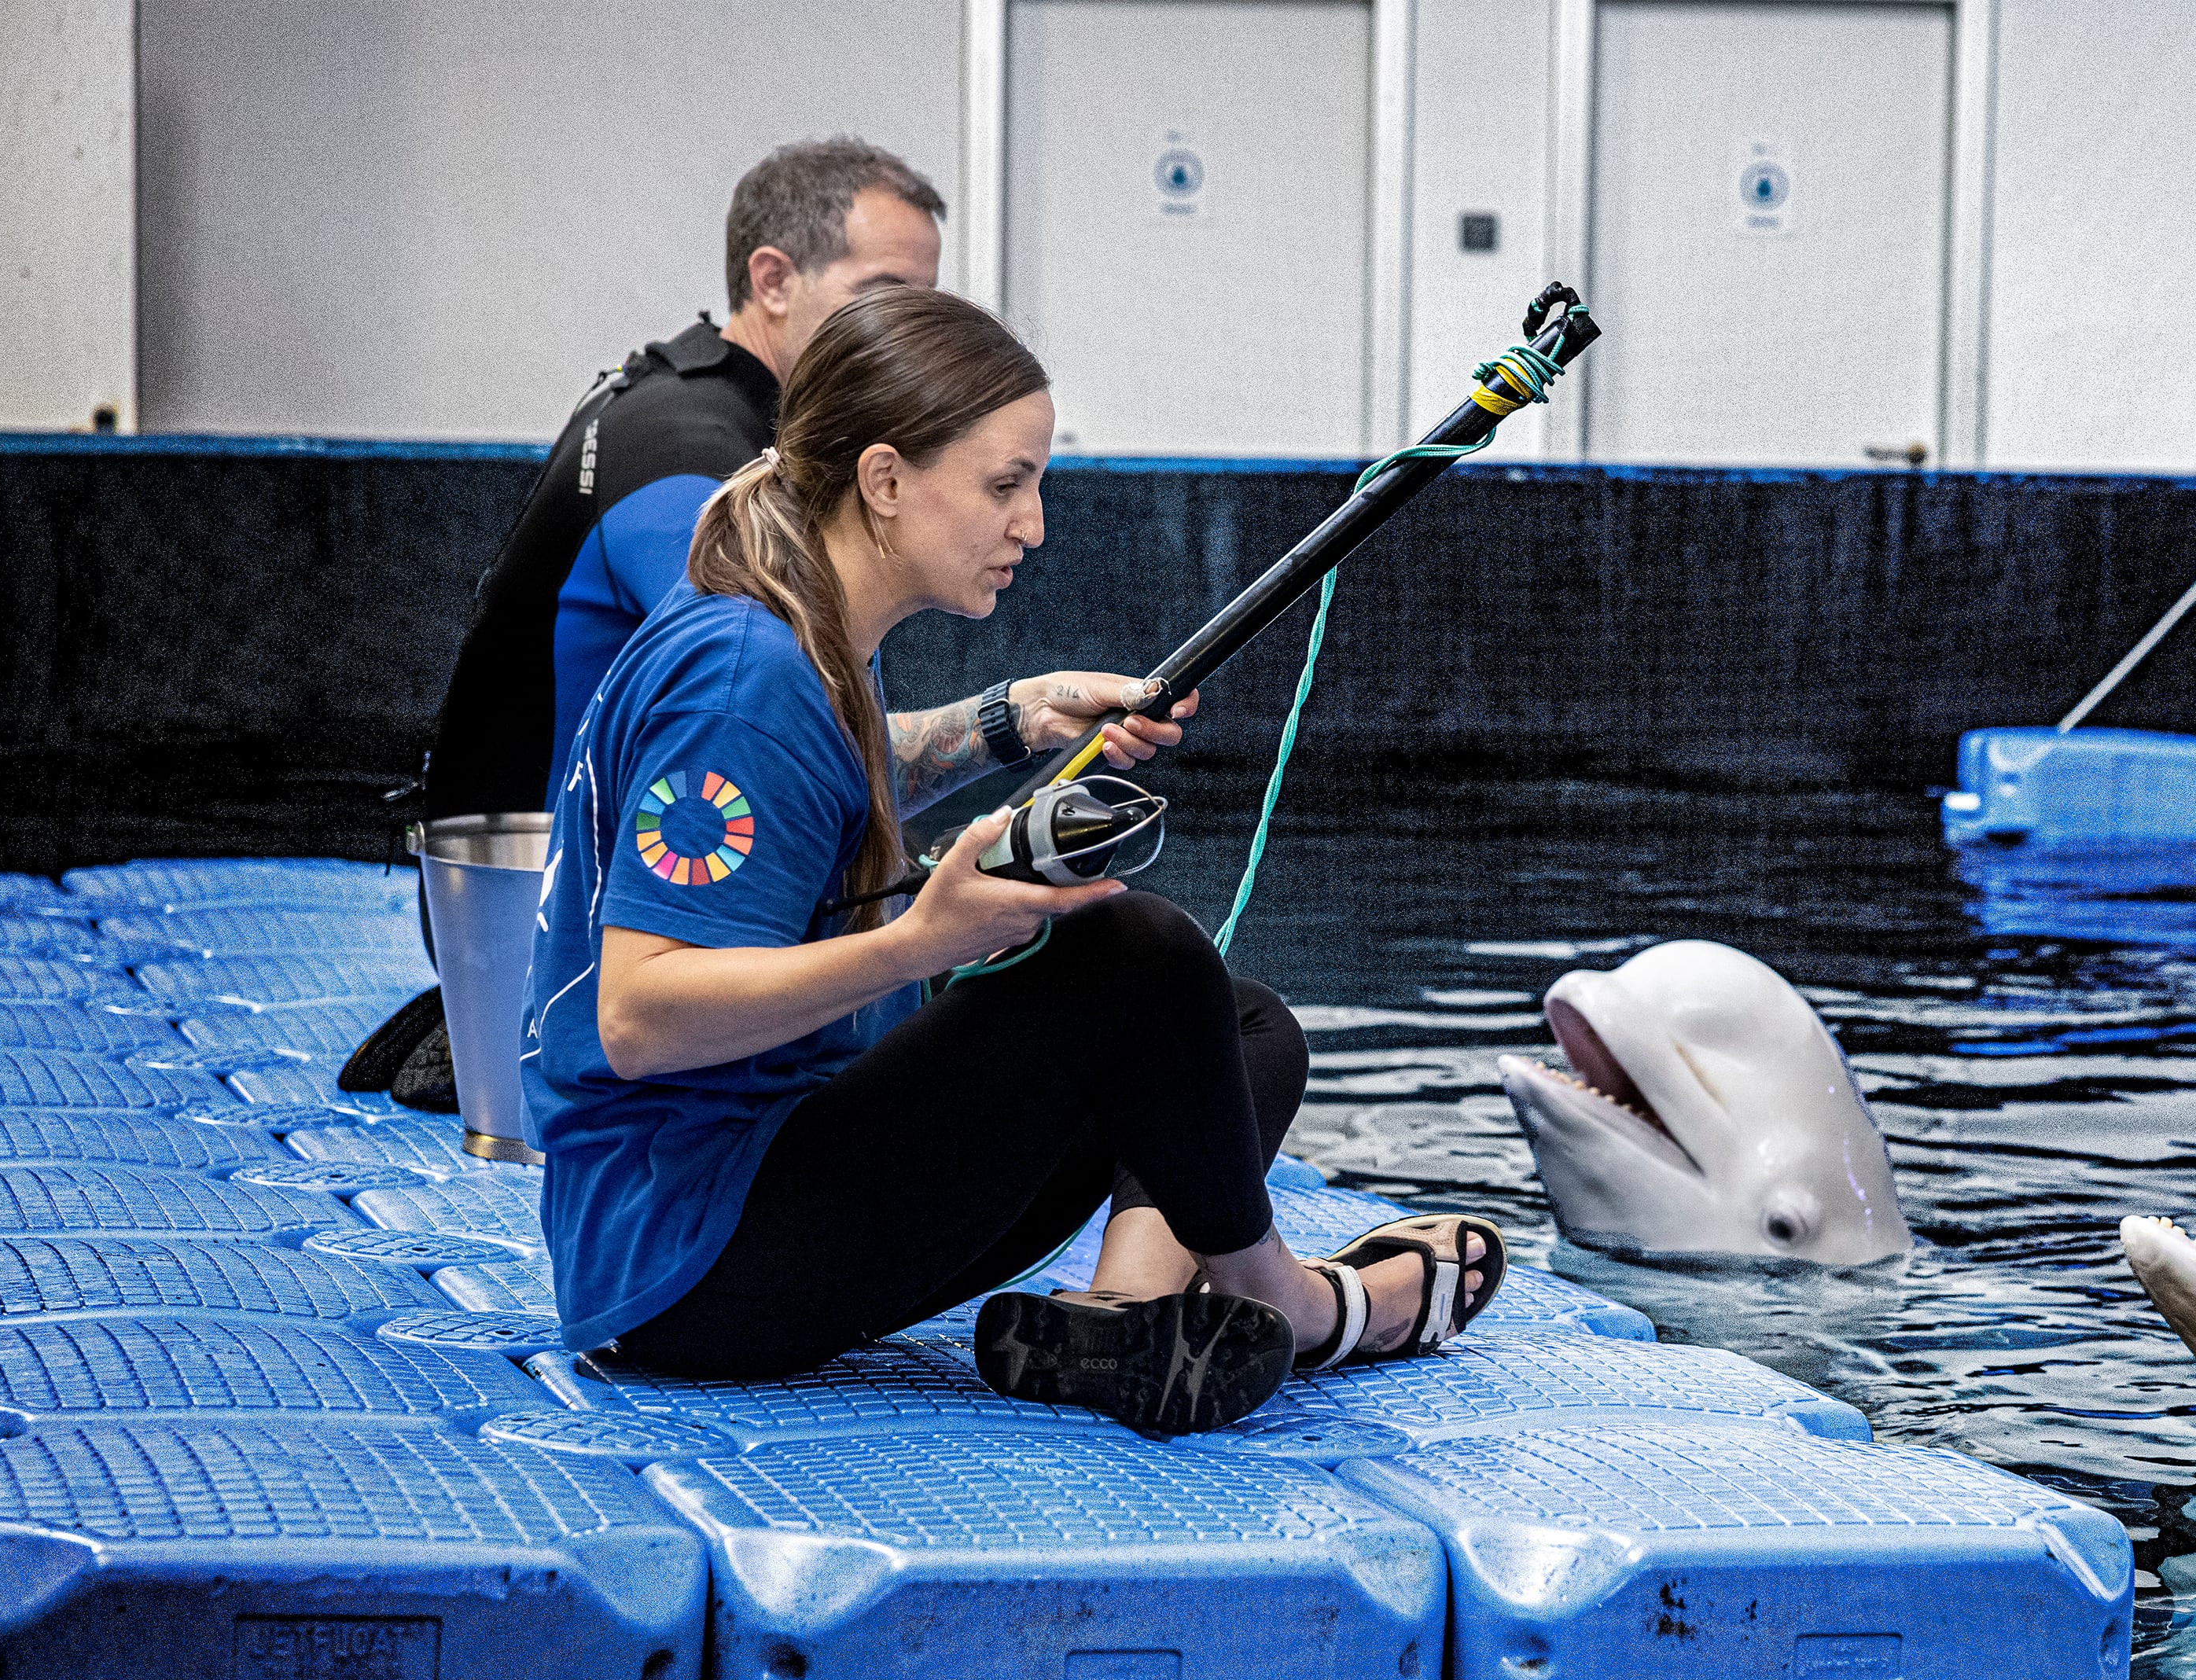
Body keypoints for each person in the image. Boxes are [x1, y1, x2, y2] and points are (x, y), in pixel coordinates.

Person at [520, 284, 1506, 1429]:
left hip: (744, 1206)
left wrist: (1013, 718)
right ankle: (1299, 1303)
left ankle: (1121, 1316)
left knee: (1233, 1027)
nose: (1031, 525)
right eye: (1005, 485)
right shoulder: (747, 678)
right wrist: (918, 943)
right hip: (692, 1272)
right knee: (1130, 951)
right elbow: (642, 1017)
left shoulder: (788, 624)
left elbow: (830, 771)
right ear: (885, 480)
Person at [348, 137, 1091, 1103]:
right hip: (573, 931)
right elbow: (751, 716)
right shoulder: (687, 456)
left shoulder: (743, 435)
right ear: (772, 281)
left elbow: (807, 751)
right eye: (881, 289)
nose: (907, 322)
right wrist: (914, 938)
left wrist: (1015, 718)